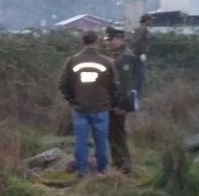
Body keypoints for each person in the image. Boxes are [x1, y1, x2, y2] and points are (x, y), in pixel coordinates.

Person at [58, 31, 118, 177]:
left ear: (82, 42)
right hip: (101, 107)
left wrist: (71, 98)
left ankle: (82, 171)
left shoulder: (72, 61)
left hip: (79, 107)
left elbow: (63, 83)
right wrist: (110, 101)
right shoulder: (106, 61)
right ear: (97, 42)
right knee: (101, 140)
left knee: (81, 140)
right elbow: (115, 85)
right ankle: (101, 170)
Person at [104, 26, 137, 174]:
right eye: (107, 39)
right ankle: (119, 164)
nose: (108, 42)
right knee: (113, 134)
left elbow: (126, 84)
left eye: (111, 39)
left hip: (119, 102)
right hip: (114, 100)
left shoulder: (125, 57)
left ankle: (124, 167)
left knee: (117, 134)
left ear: (120, 38)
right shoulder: (118, 55)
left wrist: (122, 105)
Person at [129, 14, 152, 98]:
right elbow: (136, 40)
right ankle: (138, 95)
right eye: (150, 20)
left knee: (137, 75)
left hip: (137, 54)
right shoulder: (142, 30)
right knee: (140, 75)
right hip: (139, 55)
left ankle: (136, 94)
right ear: (146, 21)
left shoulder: (139, 29)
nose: (151, 22)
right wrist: (130, 48)